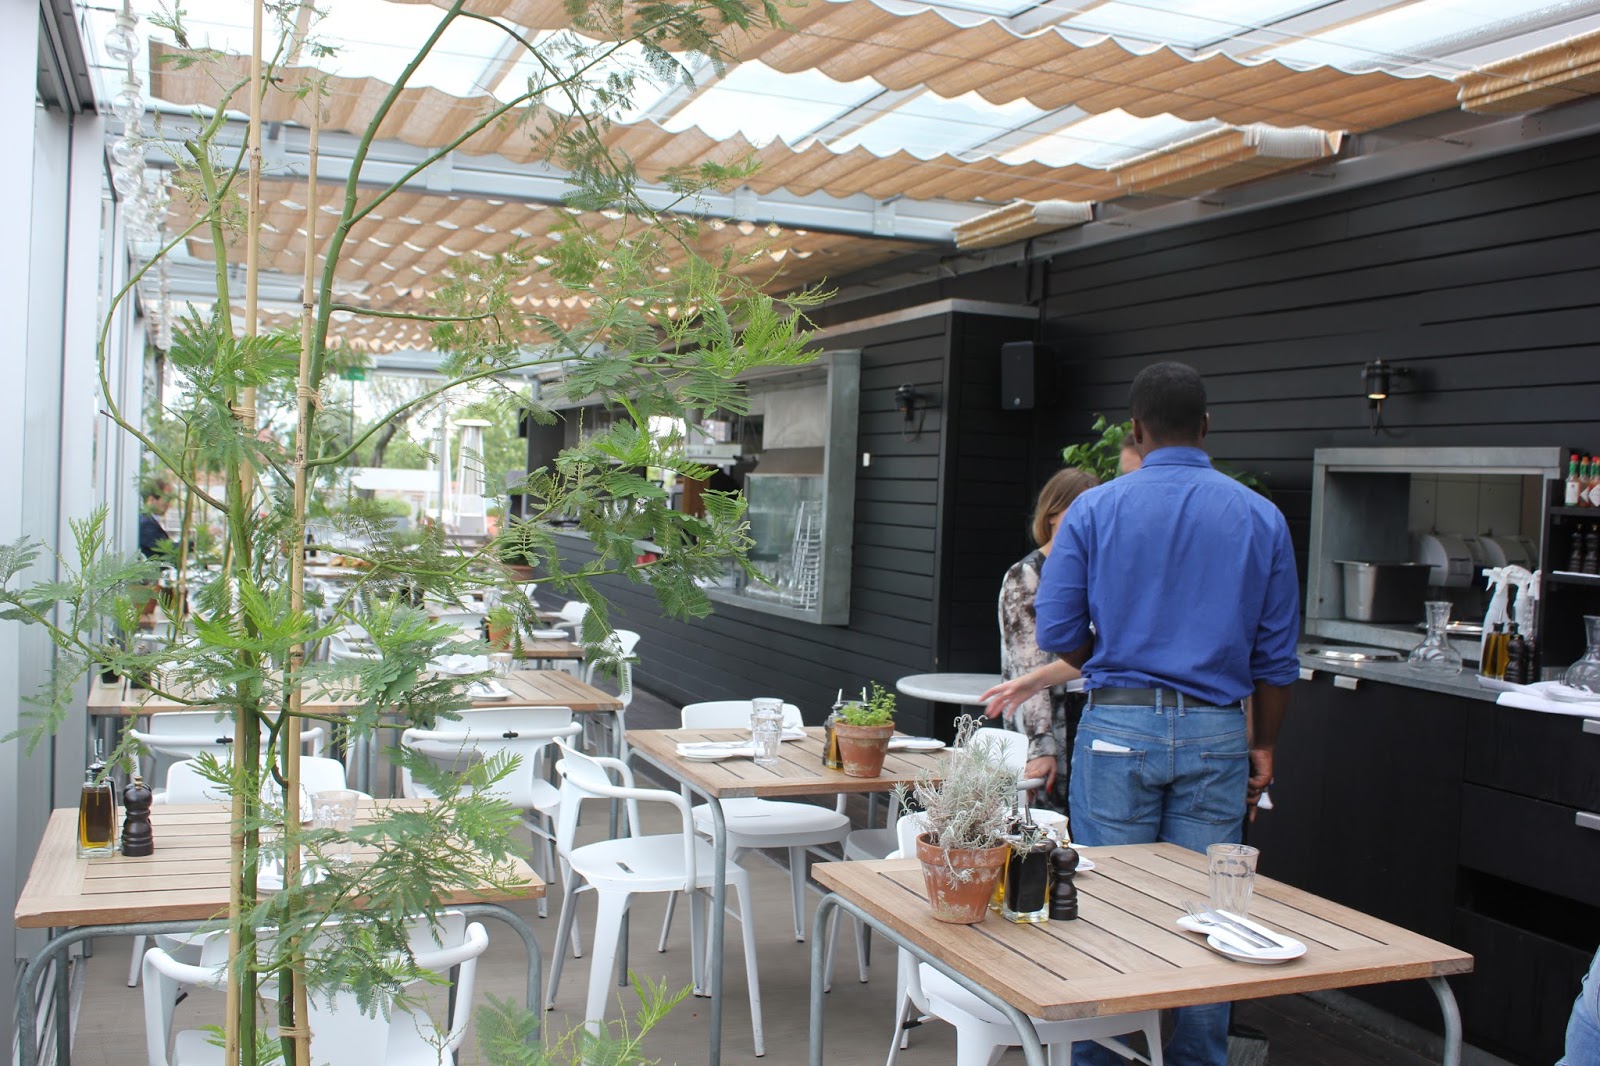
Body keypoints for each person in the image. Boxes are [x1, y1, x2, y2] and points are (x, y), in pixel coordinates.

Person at [1034, 361, 1300, 1066]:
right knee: (1212, 918)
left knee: (1109, 911)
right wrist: (1264, 745)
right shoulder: (1260, 516)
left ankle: (1105, 1057)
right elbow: (1277, 658)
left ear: (1136, 429)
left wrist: (1108, 650)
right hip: (1218, 731)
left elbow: (1056, 630)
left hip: (1117, 727)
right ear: (1206, 427)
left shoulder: (1094, 509)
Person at [981, 467, 1099, 815]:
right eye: (1077, 510)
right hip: (1053, 716)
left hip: (1096, 710)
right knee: (1050, 823)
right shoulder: (1027, 574)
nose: (1087, 520)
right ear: (1052, 514)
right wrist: (1040, 744)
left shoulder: (1100, 569)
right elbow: (1026, 663)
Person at [139, 483, 174, 559]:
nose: (169, 505)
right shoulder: (146, 524)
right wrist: (193, 543)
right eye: (167, 500)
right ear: (151, 500)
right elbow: (167, 548)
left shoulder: (147, 519)